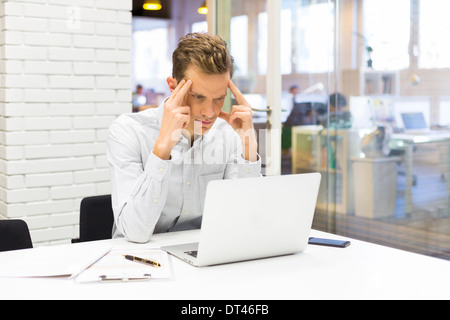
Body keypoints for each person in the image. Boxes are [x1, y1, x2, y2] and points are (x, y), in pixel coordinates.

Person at [107, 33, 261, 243]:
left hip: (206, 255)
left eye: (219, 99)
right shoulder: (129, 131)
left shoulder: (227, 133)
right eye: (198, 96)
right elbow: (135, 232)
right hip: (140, 256)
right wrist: (163, 147)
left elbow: (248, 221)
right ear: (173, 87)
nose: (209, 112)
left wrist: (248, 149)